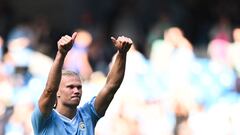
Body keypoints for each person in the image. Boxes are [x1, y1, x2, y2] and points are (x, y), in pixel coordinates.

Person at [31, 32, 133, 135]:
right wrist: (61, 54)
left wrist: (122, 54)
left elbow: (111, 87)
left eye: (79, 87)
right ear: (58, 92)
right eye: (70, 87)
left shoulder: (88, 114)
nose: (76, 91)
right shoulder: (44, 118)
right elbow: (49, 91)